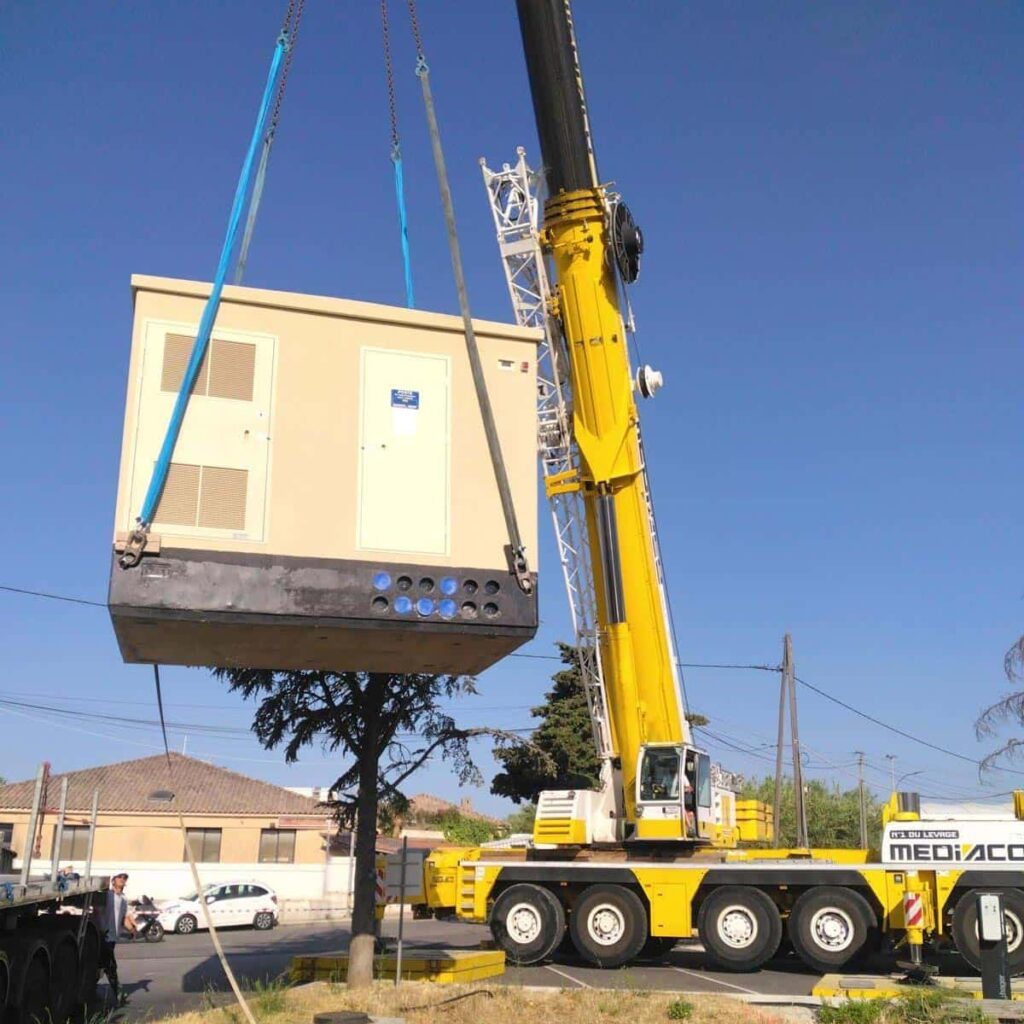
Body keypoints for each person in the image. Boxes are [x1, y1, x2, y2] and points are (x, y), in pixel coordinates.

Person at [97, 871, 135, 1005]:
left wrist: (132, 930)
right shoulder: (107, 895)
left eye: (125, 877)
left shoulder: (123, 899)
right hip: (102, 935)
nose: (122, 879)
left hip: (112, 937)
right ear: (113, 880)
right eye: (120, 877)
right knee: (110, 965)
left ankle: (92, 991)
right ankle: (118, 994)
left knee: (103, 964)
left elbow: (123, 919)